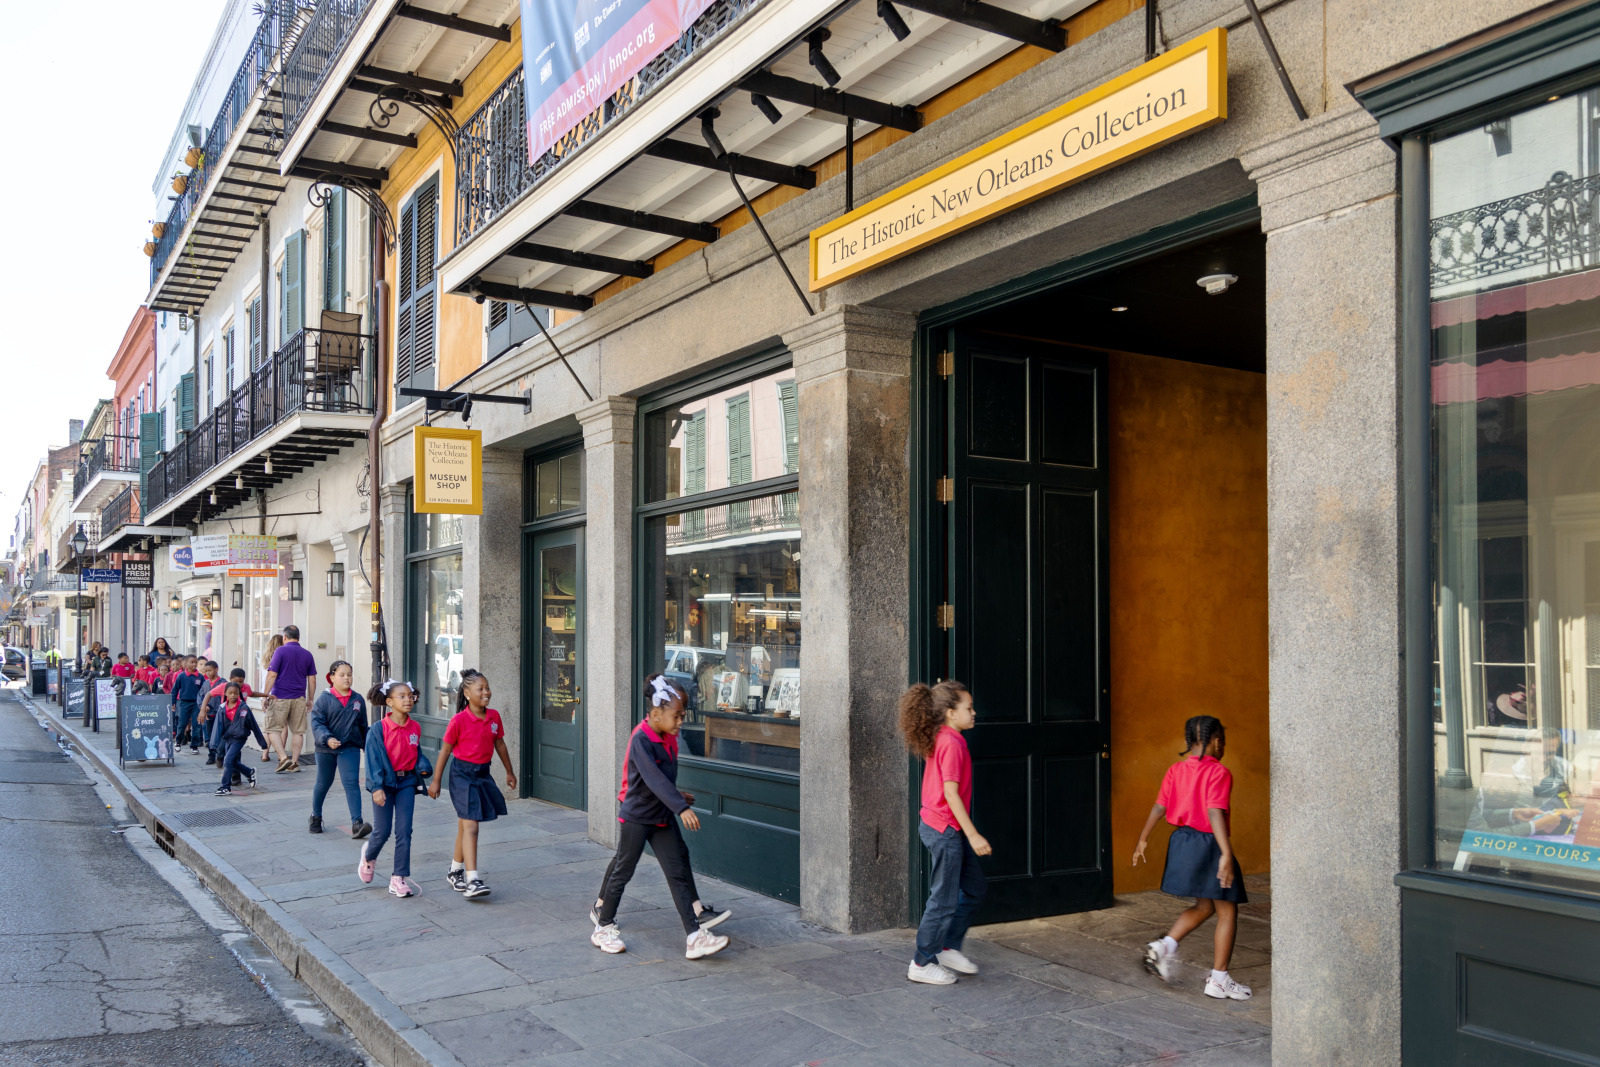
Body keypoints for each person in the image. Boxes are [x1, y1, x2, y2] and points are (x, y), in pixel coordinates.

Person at [589, 675, 730, 960]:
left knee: (677, 871)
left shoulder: (669, 738)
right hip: (637, 818)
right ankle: (603, 926)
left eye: (682, 716)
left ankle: (694, 937)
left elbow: (660, 780)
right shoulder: (642, 738)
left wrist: (677, 797)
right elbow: (652, 779)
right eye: (676, 717)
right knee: (623, 870)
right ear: (655, 714)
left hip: (661, 816)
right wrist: (681, 806)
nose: (680, 722)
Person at [1132, 715, 1251, 1001]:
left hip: (1183, 841)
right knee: (1227, 910)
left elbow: (1160, 807)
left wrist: (1143, 839)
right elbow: (1214, 812)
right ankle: (1219, 980)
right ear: (1216, 740)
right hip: (1209, 843)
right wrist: (1225, 852)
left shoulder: (1176, 770)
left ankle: (1164, 946)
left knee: (1204, 906)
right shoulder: (1219, 772)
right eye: (1222, 739)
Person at [898, 679, 988, 986]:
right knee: (943, 899)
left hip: (944, 828)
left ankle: (947, 946)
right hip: (946, 829)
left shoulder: (949, 737)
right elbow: (951, 794)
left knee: (974, 888)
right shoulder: (950, 743)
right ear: (950, 713)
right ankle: (922, 962)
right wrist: (973, 835)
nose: (974, 713)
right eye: (968, 708)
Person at [427, 669, 516, 900]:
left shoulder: (494, 717)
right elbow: (445, 750)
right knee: (471, 826)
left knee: (464, 826)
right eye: (480, 689)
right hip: (462, 775)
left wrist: (509, 771)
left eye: (487, 687)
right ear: (467, 693)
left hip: (482, 774)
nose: (486, 692)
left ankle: (455, 870)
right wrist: (436, 781)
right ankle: (472, 879)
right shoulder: (459, 720)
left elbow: (500, 745)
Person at [360, 680, 433, 898]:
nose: (407, 699)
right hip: (384, 785)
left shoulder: (415, 727)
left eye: (410, 696)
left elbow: (416, 752)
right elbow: (372, 761)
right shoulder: (377, 730)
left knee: (404, 830)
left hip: (406, 783)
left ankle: (398, 878)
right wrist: (376, 788)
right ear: (389, 702)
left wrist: (423, 766)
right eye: (401, 696)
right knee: (382, 831)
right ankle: (369, 856)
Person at [309, 661, 372, 838]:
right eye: (342, 674)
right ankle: (316, 816)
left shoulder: (358, 699)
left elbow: (362, 726)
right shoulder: (324, 699)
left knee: (351, 783)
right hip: (325, 749)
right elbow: (317, 723)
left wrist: (368, 749)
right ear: (331, 677)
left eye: (349, 674)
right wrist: (327, 739)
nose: (347, 678)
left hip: (349, 747)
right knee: (323, 783)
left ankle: (357, 823)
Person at [263, 625, 316, 774]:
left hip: (279, 697)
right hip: (299, 698)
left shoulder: (280, 651)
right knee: (298, 732)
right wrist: (310, 699)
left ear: (284, 637)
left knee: (272, 729)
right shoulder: (307, 654)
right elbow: (312, 680)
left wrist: (265, 695)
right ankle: (294, 762)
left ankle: (283, 757)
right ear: (298, 637)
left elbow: (272, 675)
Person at [213, 682, 271, 796]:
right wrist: (213, 744)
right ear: (225, 694)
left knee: (228, 761)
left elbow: (254, 725)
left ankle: (225, 787)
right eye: (230, 693)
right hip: (228, 738)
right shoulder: (222, 708)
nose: (233, 695)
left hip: (239, 738)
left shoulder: (244, 707)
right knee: (233, 761)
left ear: (239, 693)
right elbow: (217, 726)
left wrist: (262, 743)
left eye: (235, 693)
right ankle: (249, 773)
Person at [205, 668, 254, 777]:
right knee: (223, 746)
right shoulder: (224, 686)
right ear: (230, 679)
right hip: (225, 723)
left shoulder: (246, 688)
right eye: (236, 681)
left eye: (241, 681)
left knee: (235, 751)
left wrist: (266, 695)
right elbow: (208, 694)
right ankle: (220, 755)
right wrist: (203, 710)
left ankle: (235, 776)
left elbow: (252, 693)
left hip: (238, 724)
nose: (239, 684)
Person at [171, 655, 208, 752]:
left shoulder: (200, 677)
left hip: (196, 704)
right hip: (184, 703)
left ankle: (194, 746)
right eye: (191, 662)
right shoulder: (181, 676)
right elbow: (175, 690)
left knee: (197, 724)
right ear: (185, 664)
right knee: (182, 723)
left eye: (195, 662)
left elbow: (204, 691)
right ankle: (178, 741)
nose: (194, 664)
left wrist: (204, 704)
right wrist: (173, 702)